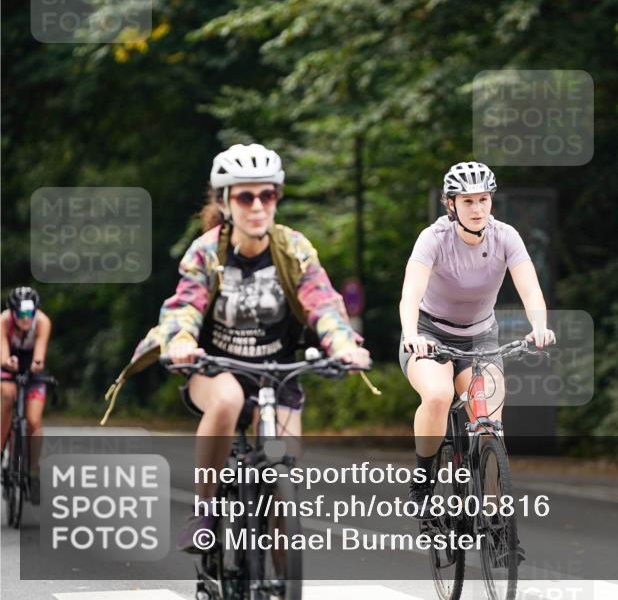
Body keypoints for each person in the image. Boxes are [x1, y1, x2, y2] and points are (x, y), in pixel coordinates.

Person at [111, 143, 369, 552]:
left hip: (277, 374)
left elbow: (321, 303)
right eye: (245, 197)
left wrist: (343, 345)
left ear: (276, 198)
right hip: (214, 370)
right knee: (228, 399)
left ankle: (278, 570)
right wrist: (181, 342)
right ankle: (205, 511)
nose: (258, 206)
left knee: (286, 471)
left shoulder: (293, 248)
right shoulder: (207, 251)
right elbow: (184, 306)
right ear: (225, 202)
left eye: (267, 195)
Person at [399, 161, 555, 517]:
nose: (477, 208)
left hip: (480, 337)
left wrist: (539, 326)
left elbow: (530, 290)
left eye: (483, 199)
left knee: (489, 424)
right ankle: (423, 479)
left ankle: (498, 521)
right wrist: (411, 335)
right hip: (430, 334)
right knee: (438, 396)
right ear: (450, 203)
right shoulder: (434, 238)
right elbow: (410, 295)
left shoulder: (506, 236)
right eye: (467, 201)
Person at [0, 286, 52, 505]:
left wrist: (37, 364)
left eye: (29, 313)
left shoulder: (43, 322)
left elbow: (39, 353)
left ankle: (34, 471)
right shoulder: (3, 321)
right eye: (20, 313)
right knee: (7, 395)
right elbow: (3, 353)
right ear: (12, 312)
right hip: (8, 365)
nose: (25, 318)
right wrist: (7, 363)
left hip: (32, 368)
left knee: (33, 420)